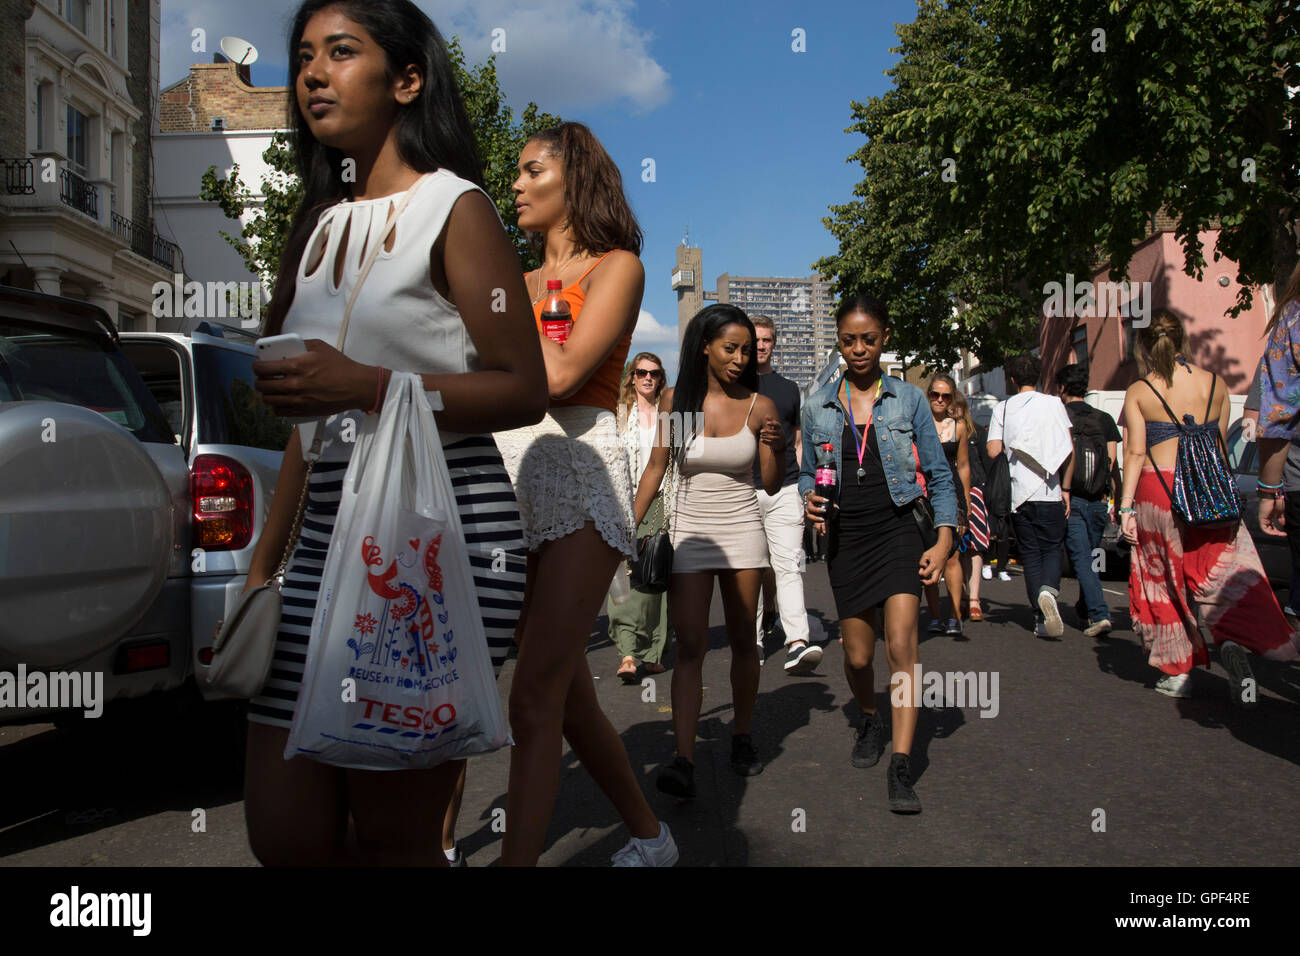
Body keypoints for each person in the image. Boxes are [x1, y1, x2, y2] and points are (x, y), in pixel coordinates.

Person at [242, 0, 545, 866]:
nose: (311, 73)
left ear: (406, 79)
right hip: (322, 533)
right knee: (286, 835)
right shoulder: (317, 227)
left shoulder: (459, 210)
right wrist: (261, 572)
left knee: (393, 838)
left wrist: (369, 385)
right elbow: (311, 430)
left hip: (436, 534)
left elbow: (521, 386)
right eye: (303, 55)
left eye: (341, 52)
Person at [493, 122, 676, 866]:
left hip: (577, 472)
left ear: (574, 180)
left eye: (531, 170)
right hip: (507, 474)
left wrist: (501, 300)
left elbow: (562, 376)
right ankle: (649, 835)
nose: (515, 185)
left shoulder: (617, 268)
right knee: (566, 694)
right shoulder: (510, 278)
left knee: (531, 696)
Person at [802, 296, 956, 814]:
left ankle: (902, 764)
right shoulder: (818, 403)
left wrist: (943, 538)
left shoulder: (909, 399)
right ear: (839, 342)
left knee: (901, 647)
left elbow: (938, 474)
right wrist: (810, 500)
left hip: (897, 531)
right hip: (848, 538)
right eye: (849, 340)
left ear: (884, 337)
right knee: (858, 656)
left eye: (868, 338)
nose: (859, 349)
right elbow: (807, 472)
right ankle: (869, 717)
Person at [632, 304, 785, 799]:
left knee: (744, 641)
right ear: (704, 348)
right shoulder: (679, 404)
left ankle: (741, 736)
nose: (742, 358)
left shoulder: (760, 407)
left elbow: (769, 482)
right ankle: (684, 757)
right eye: (731, 348)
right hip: (691, 534)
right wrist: (625, 526)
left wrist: (775, 446)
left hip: (744, 532)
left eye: (746, 349)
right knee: (692, 645)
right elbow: (657, 470)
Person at [1121, 310, 1298, 702]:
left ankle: (1177, 668)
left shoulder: (1139, 390)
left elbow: (1134, 452)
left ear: (1144, 346)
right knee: (1216, 575)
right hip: (1208, 492)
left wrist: (1124, 509)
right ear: (1183, 340)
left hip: (1158, 490)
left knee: (1164, 579)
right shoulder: (1216, 384)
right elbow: (1218, 448)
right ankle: (1231, 642)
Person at [750, 314, 820, 674]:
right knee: (751, 570)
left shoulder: (790, 389)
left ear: (774, 344)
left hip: (785, 488)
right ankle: (754, 642)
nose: (761, 345)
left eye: (767, 340)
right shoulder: (733, 385)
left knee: (789, 565)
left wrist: (803, 487)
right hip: (744, 490)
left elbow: (795, 442)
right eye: (756, 339)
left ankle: (797, 641)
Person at [986, 353, 1074, 638]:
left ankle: (1039, 617)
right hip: (1050, 490)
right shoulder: (1054, 403)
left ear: (1011, 380)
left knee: (1030, 554)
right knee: (1052, 548)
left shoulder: (1004, 408)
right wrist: (1067, 490)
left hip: (1018, 494)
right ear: (1038, 376)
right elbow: (1067, 446)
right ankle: (1050, 590)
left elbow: (993, 451)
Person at [607, 353, 673, 682]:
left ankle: (654, 651)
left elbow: (692, 455)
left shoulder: (673, 414)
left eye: (654, 373)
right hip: (624, 500)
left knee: (654, 577)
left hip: (664, 503)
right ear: (631, 377)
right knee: (621, 575)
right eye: (641, 372)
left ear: (661, 378)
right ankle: (628, 651)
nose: (647, 378)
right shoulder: (619, 415)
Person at [1055, 364, 1121, 638]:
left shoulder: (1060, 417)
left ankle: (1099, 613)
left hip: (1070, 497)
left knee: (1082, 557)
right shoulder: (1104, 419)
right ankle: (1084, 609)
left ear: (1062, 388)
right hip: (1098, 498)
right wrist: (1118, 498)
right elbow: (1112, 461)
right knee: (1090, 557)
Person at [922, 373, 970, 637]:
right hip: (923, 494)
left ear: (952, 398)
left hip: (951, 494)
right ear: (929, 395)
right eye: (935, 394)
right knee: (928, 555)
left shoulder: (958, 426)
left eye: (946, 396)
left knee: (951, 557)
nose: (939, 400)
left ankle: (954, 615)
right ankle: (935, 615)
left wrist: (966, 504)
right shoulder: (919, 423)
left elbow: (963, 466)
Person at [952, 390, 988, 621]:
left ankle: (973, 599)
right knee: (958, 546)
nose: (952, 411)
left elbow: (988, 464)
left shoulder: (977, 432)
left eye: (956, 407)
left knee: (975, 546)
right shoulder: (942, 431)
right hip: (949, 493)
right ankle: (962, 596)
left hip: (974, 491)